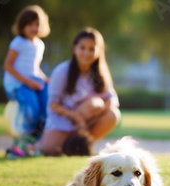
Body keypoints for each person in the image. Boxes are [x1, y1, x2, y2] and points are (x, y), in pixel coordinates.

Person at [41, 28, 121, 156]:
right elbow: (53, 103)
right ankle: (71, 144)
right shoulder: (62, 71)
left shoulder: (101, 74)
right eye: (82, 48)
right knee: (49, 150)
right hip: (64, 119)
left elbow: (111, 99)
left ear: (99, 51)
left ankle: (83, 142)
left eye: (91, 49)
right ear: (74, 49)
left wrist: (97, 111)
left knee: (112, 113)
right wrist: (77, 118)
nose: (86, 53)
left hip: (88, 120)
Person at [3, 5, 50, 157]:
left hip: (31, 82)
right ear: (22, 25)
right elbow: (8, 66)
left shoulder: (39, 45)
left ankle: (33, 140)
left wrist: (44, 78)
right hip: (16, 84)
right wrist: (27, 82)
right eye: (30, 24)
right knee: (32, 109)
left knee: (47, 105)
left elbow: (34, 68)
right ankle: (19, 141)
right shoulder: (18, 42)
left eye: (37, 24)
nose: (34, 28)